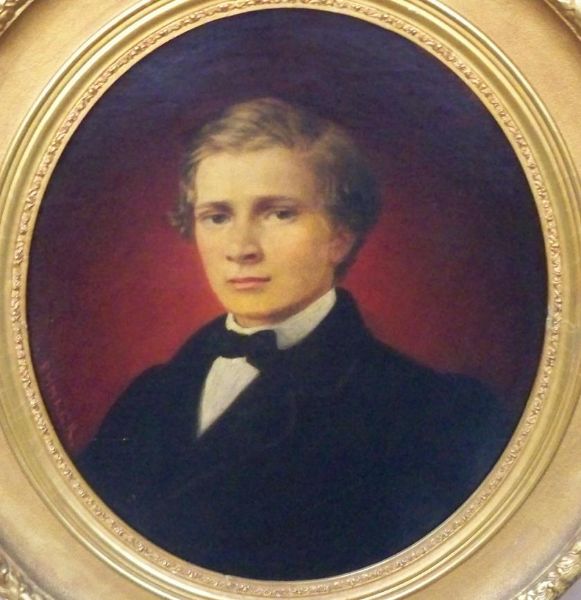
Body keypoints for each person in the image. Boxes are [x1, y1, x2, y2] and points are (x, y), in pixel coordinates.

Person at [77, 98, 515, 581]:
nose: (241, 248)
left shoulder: (436, 414)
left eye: (278, 213)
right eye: (217, 216)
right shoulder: (148, 398)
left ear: (340, 235)